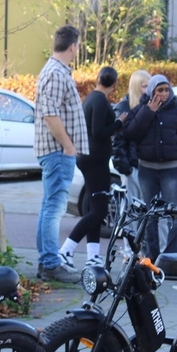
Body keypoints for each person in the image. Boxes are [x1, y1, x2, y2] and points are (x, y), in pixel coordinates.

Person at [34, 25, 89, 283]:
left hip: (55, 151)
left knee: (49, 207)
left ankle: (46, 261)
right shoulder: (57, 74)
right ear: (73, 47)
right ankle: (50, 264)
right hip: (58, 152)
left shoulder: (53, 71)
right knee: (54, 208)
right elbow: (50, 114)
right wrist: (68, 146)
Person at [122, 74, 177, 260]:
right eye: (159, 90)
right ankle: (151, 257)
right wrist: (149, 111)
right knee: (150, 214)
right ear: (151, 91)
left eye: (166, 90)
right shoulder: (141, 110)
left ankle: (173, 257)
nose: (163, 94)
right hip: (147, 170)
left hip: (171, 170)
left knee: (173, 214)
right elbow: (131, 133)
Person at [60, 66, 120, 267]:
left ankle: (93, 255)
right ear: (115, 83)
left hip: (88, 157)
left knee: (95, 208)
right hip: (96, 160)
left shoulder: (90, 99)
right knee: (99, 210)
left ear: (97, 79)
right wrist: (119, 123)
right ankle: (66, 250)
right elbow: (98, 131)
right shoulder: (100, 100)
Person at [112, 70, 149, 205]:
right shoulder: (123, 108)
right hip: (132, 166)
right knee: (130, 209)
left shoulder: (149, 107)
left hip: (145, 165)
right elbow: (117, 141)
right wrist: (125, 168)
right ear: (136, 87)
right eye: (145, 86)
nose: (148, 90)